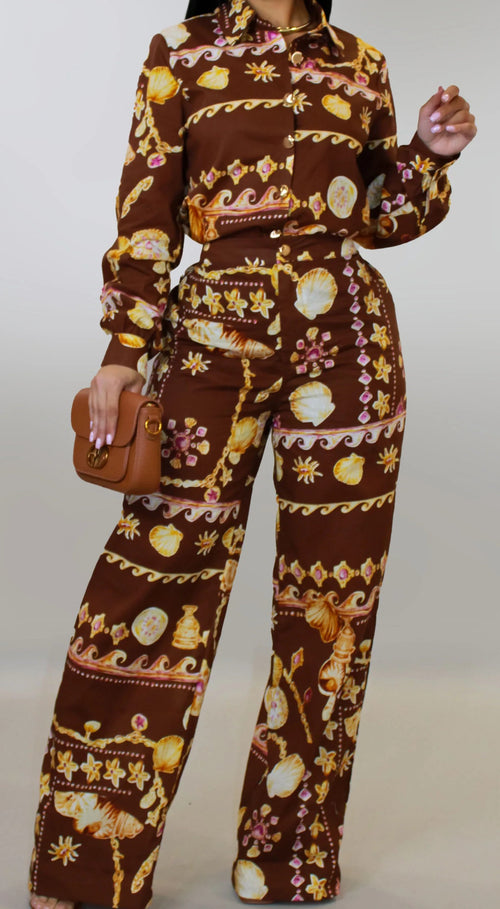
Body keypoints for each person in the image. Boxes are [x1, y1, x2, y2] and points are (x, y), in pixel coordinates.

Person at [28, 1, 476, 907]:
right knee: (157, 576)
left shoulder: (360, 62)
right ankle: (88, 871)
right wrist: (122, 351)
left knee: (331, 607)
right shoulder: (182, 54)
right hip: (211, 339)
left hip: (349, 343)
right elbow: (148, 211)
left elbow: (375, 215)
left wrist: (427, 156)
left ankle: (288, 861)